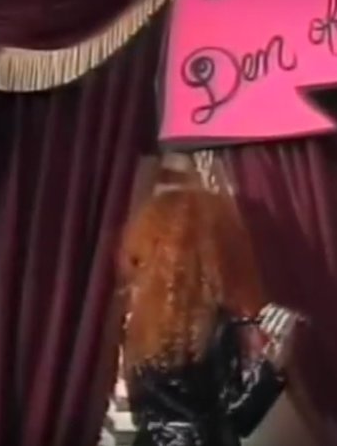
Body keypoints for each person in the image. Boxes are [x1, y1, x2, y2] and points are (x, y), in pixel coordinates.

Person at [117, 189, 300, 446]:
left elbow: (140, 411)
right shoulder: (217, 323)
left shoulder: (140, 324)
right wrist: (273, 365)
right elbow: (239, 418)